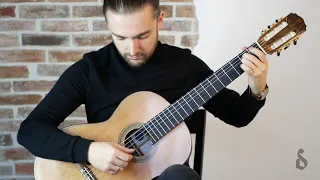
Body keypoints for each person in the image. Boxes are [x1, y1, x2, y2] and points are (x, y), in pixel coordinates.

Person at [17, 0, 269, 179]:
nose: (133, 49)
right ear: (108, 27)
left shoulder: (185, 66)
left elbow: (236, 116)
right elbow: (30, 131)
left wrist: (256, 88)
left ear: (159, 19)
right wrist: (89, 150)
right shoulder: (91, 70)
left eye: (142, 35)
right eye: (121, 38)